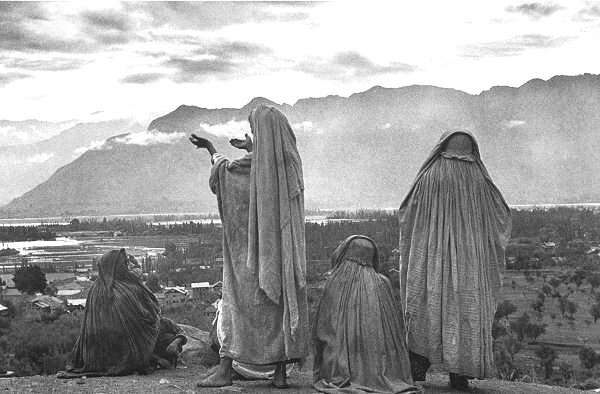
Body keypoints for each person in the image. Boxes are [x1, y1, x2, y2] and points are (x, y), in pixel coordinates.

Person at [190, 105, 309, 388]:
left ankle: (225, 369)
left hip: (246, 259)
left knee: (235, 306)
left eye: (255, 131)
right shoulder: (290, 166)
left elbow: (223, 174)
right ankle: (279, 374)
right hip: (281, 257)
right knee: (276, 308)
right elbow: (268, 164)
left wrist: (210, 149)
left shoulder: (246, 170)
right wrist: (255, 147)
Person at [398, 131, 512, 390]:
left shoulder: (429, 176)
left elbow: (407, 213)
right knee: (464, 310)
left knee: (426, 306)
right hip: (470, 262)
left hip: (432, 260)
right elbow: (501, 215)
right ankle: (459, 375)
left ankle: (417, 370)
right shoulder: (479, 179)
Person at [312, 235, 420, 394]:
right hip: (378, 363)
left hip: (337, 367)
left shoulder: (334, 281)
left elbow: (322, 329)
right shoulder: (382, 283)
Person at [58, 249, 161, 378]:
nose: (129, 266)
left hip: (94, 358)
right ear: (118, 266)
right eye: (126, 263)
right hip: (130, 358)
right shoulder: (130, 288)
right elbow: (151, 316)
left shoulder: (95, 288)